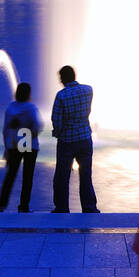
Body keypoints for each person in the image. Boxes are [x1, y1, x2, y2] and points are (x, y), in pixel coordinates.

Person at [50, 65, 98, 213]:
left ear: (63, 79)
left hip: (67, 140)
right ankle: (89, 207)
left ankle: (62, 208)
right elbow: (88, 110)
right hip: (85, 138)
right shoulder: (88, 90)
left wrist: (57, 132)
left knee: (62, 177)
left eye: (60, 78)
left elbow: (56, 120)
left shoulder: (61, 96)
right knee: (85, 175)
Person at [0, 82, 41, 213]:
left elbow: (5, 130)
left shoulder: (10, 108)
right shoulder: (31, 108)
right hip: (29, 143)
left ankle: (1, 204)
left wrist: (7, 147)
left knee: (10, 175)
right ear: (28, 94)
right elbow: (37, 126)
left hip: (14, 144)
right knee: (27, 176)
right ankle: (23, 206)